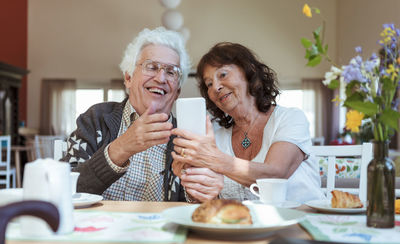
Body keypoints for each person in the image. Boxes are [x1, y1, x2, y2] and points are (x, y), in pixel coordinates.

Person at [171, 42, 326, 204]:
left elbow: (275, 174)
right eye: (209, 84)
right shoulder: (216, 137)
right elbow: (210, 202)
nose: (216, 87)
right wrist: (192, 183)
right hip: (245, 226)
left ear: (249, 71)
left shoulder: (291, 118)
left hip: (304, 221)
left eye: (223, 75)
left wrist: (213, 159)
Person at [62, 27, 193, 201]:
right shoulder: (96, 119)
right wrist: (121, 147)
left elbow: (193, 208)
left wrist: (196, 194)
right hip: (100, 227)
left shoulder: (186, 139)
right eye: (151, 67)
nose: (161, 78)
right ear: (128, 78)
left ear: (177, 91)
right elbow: (63, 188)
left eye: (171, 72)